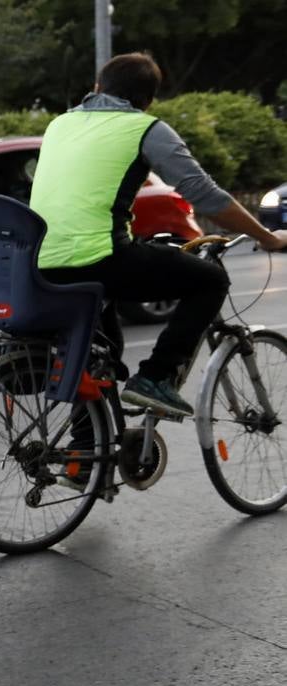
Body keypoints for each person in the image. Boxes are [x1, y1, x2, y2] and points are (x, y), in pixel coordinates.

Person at [30, 52, 287, 416]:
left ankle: (82, 463)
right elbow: (206, 196)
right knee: (210, 280)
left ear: (98, 88)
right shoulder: (145, 128)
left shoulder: (59, 125)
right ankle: (156, 377)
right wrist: (267, 236)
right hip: (98, 258)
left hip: (41, 262)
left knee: (101, 356)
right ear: (148, 100)